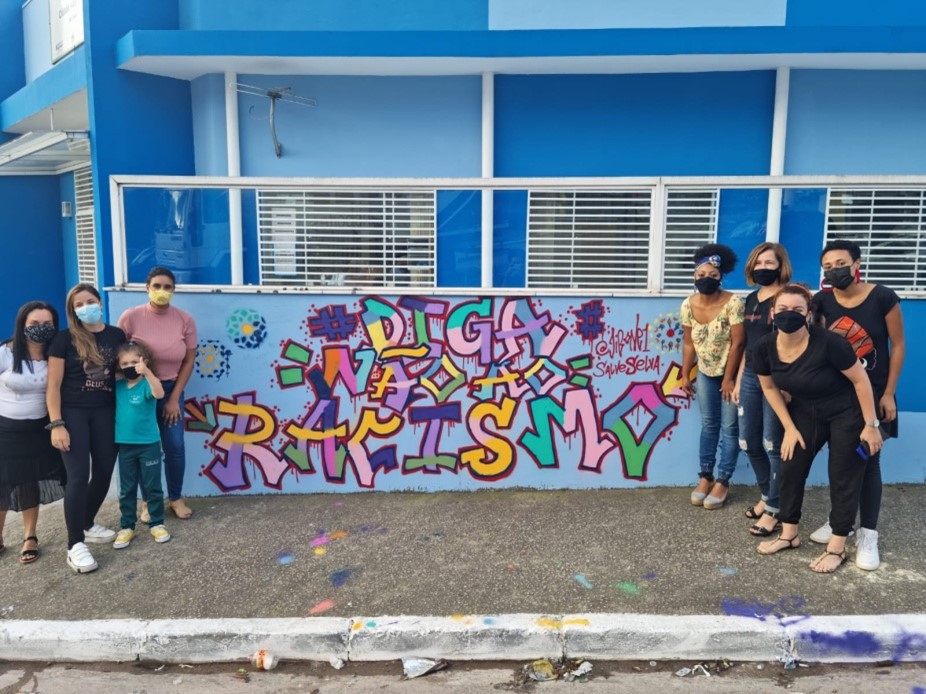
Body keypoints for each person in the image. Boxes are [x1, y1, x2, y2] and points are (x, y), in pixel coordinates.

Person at [752, 284, 882, 573]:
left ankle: (837, 548)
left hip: (844, 411)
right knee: (790, 466)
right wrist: (788, 427)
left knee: (843, 473)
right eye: (783, 310)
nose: (790, 315)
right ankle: (789, 534)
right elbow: (769, 387)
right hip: (803, 411)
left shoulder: (829, 343)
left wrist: (871, 425)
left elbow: (861, 381)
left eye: (797, 310)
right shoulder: (763, 347)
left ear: (808, 314)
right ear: (773, 313)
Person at [807, 240, 904, 570]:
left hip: (875, 394)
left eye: (841, 262)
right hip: (836, 397)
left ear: (857, 262)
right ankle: (841, 524)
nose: (835, 269)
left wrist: (889, 393)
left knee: (867, 462)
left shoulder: (883, 297)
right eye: (828, 266)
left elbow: (899, 345)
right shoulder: (821, 301)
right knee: (840, 461)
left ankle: (868, 534)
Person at [47, 284, 126, 573]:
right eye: (78, 304)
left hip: (106, 411)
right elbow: (52, 386)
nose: (85, 307)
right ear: (73, 310)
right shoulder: (63, 340)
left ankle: (87, 521)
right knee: (78, 476)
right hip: (73, 413)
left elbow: (118, 370)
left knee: (105, 471)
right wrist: (57, 424)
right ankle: (75, 543)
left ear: (100, 303)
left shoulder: (117, 335)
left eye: (90, 301)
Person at [118, 267, 197, 521]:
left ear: (174, 290)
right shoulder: (131, 317)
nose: (162, 291)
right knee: (144, 448)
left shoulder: (185, 320)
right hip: (140, 393)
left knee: (174, 445)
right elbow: (119, 356)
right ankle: (148, 502)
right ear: (147, 288)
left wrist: (174, 398)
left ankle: (175, 497)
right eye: (157, 286)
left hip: (172, 390)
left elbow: (188, 361)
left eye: (168, 287)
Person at [0, 302, 66, 564]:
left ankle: (30, 536)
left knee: (30, 482)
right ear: (22, 325)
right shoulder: (5, 352)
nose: (41, 329)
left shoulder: (56, 355)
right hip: (5, 429)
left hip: (39, 430)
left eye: (47, 324)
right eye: (34, 324)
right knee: (2, 484)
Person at [733, 243, 791, 536]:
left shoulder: (790, 298)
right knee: (748, 442)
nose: (763, 268)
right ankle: (767, 495)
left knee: (772, 445)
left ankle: (773, 509)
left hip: (777, 380)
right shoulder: (752, 298)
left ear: (781, 266)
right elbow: (747, 344)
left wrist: (788, 384)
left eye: (770, 263)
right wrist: (741, 377)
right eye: (758, 263)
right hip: (751, 377)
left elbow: (797, 344)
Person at [681, 243, 745, 510]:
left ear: (721, 276)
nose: (706, 279)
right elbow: (688, 344)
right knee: (709, 426)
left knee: (730, 429)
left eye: (712, 275)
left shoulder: (733, 303)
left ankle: (723, 480)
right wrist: (686, 374)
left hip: (730, 374)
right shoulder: (687, 304)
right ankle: (705, 476)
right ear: (694, 276)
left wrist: (729, 379)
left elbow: (739, 343)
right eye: (701, 274)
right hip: (706, 373)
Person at [113, 341, 171, 549]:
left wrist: (146, 373)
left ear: (143, 361)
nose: (130, 366)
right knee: (127, 488)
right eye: (125, 362)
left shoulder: (147, 383)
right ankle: (127, 526)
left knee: (152, 486)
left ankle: (157, 523)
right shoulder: (118, 386)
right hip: (125, 446)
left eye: (134, 361)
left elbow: (159, 394)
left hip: (149, 444)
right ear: (119, 366)